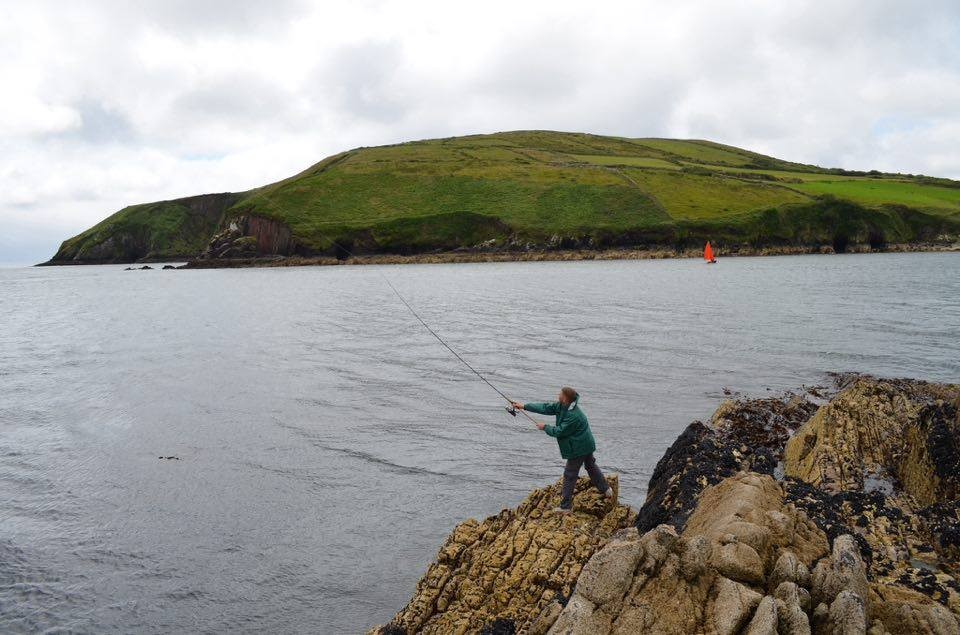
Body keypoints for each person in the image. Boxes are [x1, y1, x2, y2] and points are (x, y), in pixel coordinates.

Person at [511, 387, 615, 514]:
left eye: (560, 393)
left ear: (565, 398)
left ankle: (566, 507)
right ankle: (606, 489)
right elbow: (545, 407)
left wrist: (546, 427)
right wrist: (523, 406)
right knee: (590, 466)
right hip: (586, 443)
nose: (558, 394)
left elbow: (559, 431)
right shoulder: (563, 405)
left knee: (570, 474)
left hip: (579, 447)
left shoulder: (573, 416)